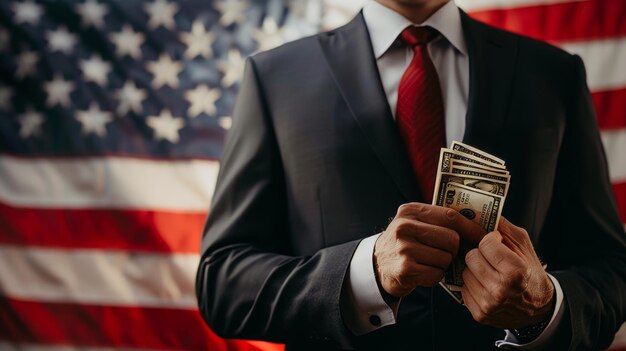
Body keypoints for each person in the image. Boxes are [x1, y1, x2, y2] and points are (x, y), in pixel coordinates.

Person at [195, 0, 626, 349]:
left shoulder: (553, 74)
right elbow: (224, 281)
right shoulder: (276, 78)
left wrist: (545, 308)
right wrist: (366, 273)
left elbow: (610, 268)